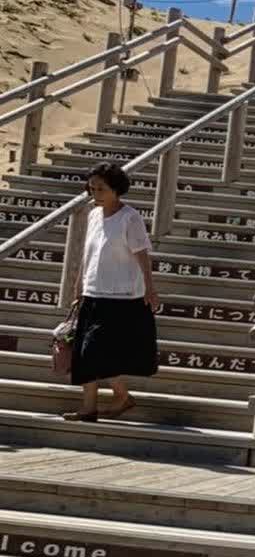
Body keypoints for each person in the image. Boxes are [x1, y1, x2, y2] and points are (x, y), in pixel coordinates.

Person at [63, 162, 159, 422]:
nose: (95, 194)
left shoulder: (130, 217)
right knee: (84, 354)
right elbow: (88, 252)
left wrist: (150, 288)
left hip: (122, 296)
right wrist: (79, 282)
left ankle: (121, 396)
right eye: (92, 188)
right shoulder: (93, 215)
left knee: (95, 352)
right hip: (94, 292)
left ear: (116, 190)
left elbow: (141, 254)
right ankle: (89, 407)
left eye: (101, 189)